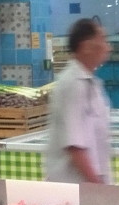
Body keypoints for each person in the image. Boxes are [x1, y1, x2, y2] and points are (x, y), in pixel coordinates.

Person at [45, 18, 112, 184]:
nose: (108, 47)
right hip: (74, 187)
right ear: (86, 47)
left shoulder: (90, 82)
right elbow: (74, 145)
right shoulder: (72, 84)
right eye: (103, 40)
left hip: (86, 186)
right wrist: (98, 187)